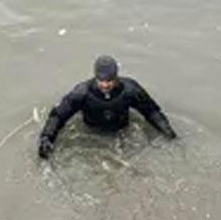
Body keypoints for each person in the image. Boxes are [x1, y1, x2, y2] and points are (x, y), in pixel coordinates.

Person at [38, 56, 177, 158]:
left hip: (123, 133)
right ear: (95, 77)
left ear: (116, 76)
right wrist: (46, 138)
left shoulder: (131, 90)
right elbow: (58, 116)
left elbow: (151, 111)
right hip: (90, 136)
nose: (105, 85)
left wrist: (166, 130)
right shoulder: (81, 93)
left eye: (109, 80)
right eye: (101, 80)